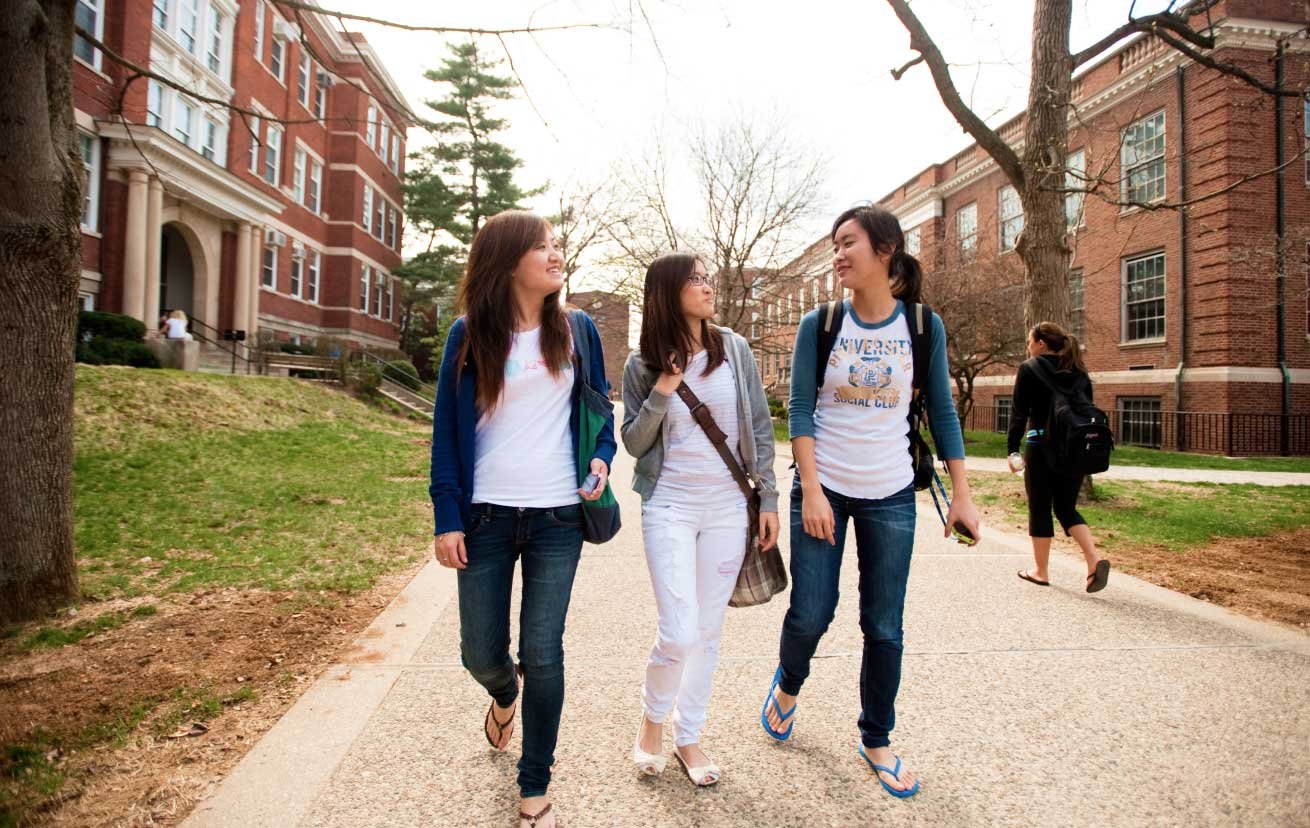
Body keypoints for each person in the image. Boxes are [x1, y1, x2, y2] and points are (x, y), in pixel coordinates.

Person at [761, 204, 980, 799]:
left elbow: (942, 411)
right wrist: (809, 489)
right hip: (824, 486)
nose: (837, 254)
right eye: (834, 244)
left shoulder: (922, 326)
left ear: (885, 249)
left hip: (890, 495)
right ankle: (788, 683)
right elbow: (801, 409)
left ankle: (876, 738)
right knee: (811, 612)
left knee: (884, 625)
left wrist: (962, 493)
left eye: (847, 243)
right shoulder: (821, 322)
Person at [428, 210, 616, 828]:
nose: (556, 255)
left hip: (558, 517)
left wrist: (599, 459)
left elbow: (600, 417)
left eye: (557, 245)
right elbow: (447, 436)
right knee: (480, 653)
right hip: (484, 518)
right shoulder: (469, 334)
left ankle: (534, 778)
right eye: (543, 246)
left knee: (545, 652)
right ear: (509, 260)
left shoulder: (578, 331)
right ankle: (502, 694)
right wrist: (446, 516)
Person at [621, 253, 779, 787]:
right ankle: (651, 722)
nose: (707, 286)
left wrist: (771, 500)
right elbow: (634, 443)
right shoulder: (642, 363)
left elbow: (758, 427)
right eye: (695, 280)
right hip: (668, 506)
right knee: (679, 630)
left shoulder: (733, 348)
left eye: (707, 277)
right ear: (667, 291)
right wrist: (664, 389)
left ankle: (689, 736)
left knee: (708, 631)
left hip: (728, 508)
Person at [1008, 322, 1110, 593]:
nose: (1028, 347)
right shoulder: (1078, 372)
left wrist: (1012, 449)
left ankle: (1040, 571)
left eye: (1030, 341)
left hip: (1040, 446)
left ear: (1041, 343)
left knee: (1040, 508)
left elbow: (1018, 414)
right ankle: (1093, 561)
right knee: (1066, 507)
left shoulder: (1029, 368)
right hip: (1074, 450)